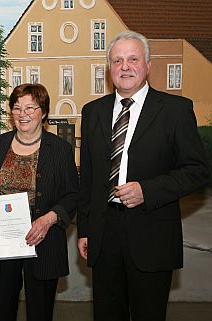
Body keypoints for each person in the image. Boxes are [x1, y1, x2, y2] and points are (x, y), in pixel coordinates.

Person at [77, 30, 210, 321]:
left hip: (152, 234)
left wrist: (147, 191)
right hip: (104, 235)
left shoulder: (175, 110)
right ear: (109, 67)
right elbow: (87, 177)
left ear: (148, 65)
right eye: (117, 60)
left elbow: (197, 171)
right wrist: (85, 229)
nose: (125, 66)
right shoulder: (92, 112)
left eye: (133, 59)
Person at [0, 83, 79, 321]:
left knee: (40, 312)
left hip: (44, 239)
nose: (23, 114)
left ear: (43, 112)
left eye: (30, 108)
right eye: (17, 107)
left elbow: (73, 195)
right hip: (2, 242)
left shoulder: (60, 149)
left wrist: (48, 220)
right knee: (4, 310)